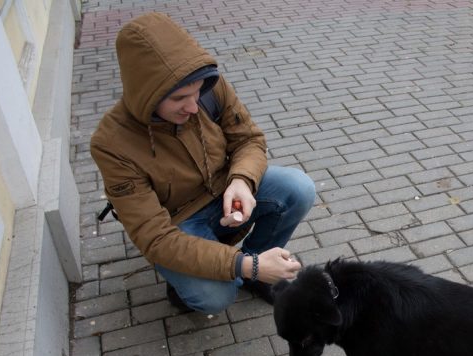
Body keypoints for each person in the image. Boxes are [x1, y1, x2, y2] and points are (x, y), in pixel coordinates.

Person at [91, 12, 315, 313]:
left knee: (298, 188)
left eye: (197, 93)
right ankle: (194, 283)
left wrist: (241, 180)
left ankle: (257, 271)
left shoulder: (207, 87)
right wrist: (244, 265)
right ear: (146, 94)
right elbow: (155, 237)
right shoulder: (112, 144)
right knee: (214, 297)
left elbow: (249, 139)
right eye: (180, 98)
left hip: (225, 192)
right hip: (177, 224)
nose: (194, 106)